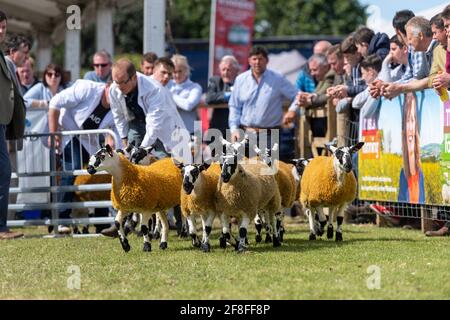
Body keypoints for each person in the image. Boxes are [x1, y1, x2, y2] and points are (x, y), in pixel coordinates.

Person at [102, 58, 186, 237]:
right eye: (115, 82)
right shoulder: (115, 89)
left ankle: (182, 223)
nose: (118, 86)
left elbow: (154, 124)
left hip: (165, 129)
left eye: (122, 82)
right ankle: (125, 223)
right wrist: (125, 138)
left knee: (173, 170)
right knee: (131, 170)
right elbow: (118, 115)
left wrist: (143, 148)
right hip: (135, 124)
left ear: (133, 78)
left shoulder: (154, 89)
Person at [48, 80, 118, 234]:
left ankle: (102, 223)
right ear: (106, 87)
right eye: (113, 91)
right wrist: (53, 134)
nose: (115, 96)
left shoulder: (118, 106)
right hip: (70, 134)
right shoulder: (86, 89)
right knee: (71, 170)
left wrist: (111, 143)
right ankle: (61, 219)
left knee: (102, 174)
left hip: (90, 141)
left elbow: (113, 130)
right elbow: (55, 102)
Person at [229, 46, 298, 156]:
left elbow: (297, 95)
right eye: (254, 59)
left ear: (267, 60)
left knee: (268, 171)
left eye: (260, 59)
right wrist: (234, 129)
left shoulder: (277, 78)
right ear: (249, 61)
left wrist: (292, 110)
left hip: (271, 135)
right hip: (246, 133)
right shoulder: (241, 79)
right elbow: (234, 106)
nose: (257, 62)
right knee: (247, 170)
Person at [0, 10, 24, 240]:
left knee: (4, 171)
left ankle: (1, 227)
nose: (1, 31)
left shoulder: (3, 58)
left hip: (2, 122)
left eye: (4, 27)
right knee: (4, 171)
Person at [398, 92, 425, 204]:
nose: (410, 127)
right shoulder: (403, 174)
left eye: (413, 120)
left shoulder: (421, 174)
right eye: (407, 120)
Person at [205, 55, 240, 138]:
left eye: (229, 70)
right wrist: (227, 95)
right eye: (223, 70)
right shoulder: (215, 81)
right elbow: (209, 98)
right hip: (217, 128)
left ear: (236, 71)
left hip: (237, 129)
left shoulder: (242, 82)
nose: (225, 73)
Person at [168, 54, 203, 135]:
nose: (177, 75)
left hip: (191, 131)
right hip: (171, 132)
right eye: (174, 72)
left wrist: (170, 95)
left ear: (186, 70)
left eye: (180, 71)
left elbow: (188, 105)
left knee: (196, 148)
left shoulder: (195, 87)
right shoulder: (167, 85)